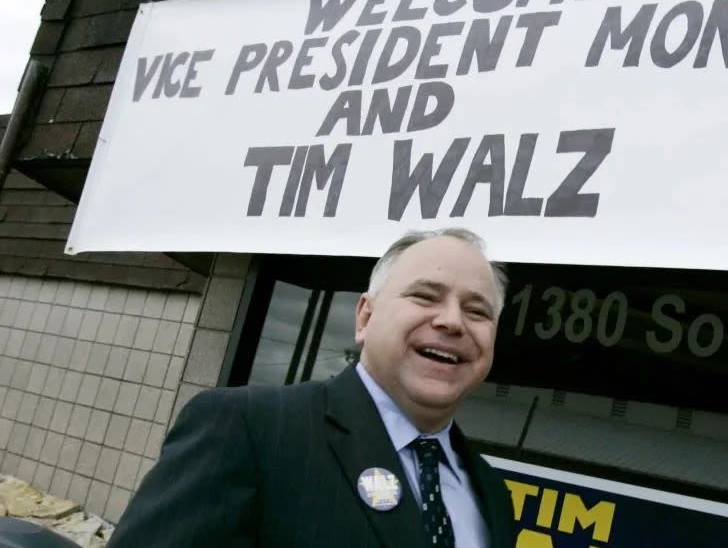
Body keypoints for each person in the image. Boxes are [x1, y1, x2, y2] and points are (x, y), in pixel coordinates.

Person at [108, 228, 515, 548]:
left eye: (477, 311)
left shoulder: (493, 496)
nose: (452, 321)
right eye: (426, 296)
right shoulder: (249, 429)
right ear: (365, 318)